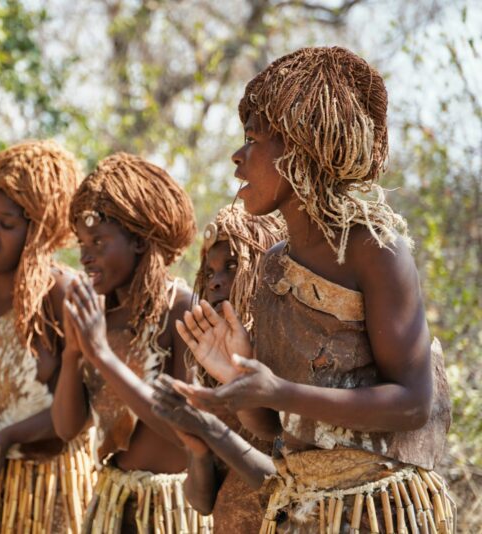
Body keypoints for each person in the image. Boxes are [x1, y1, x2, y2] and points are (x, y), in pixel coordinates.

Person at [162, 47, 453, 533]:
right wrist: (241, 380)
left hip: (374, 514)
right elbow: (275, 428)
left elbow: (413, 402)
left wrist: (279, 389)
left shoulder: (374, 249)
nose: (237, 157)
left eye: (253, 139)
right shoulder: (275, 264)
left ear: (301, 147)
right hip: (300, 511)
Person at [54, 152, 213, 533]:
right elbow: (67, 428)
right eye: (81, 242)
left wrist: (101, 355)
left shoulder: (182, 311)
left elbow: (184, 431)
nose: (85, 256)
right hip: (113, 504)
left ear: (139, 241)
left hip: (173, 510)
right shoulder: (97, 315)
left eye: (98, 241)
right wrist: (75, 351)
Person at [0, 140, 95, 534]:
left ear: (38, 231)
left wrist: (7, 437)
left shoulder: (64, 295)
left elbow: (84, 408)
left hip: (59, 490)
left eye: (7, 224)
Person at [175, 204, 285, 533]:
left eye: (232, 266)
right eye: (209, 273)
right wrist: (198, 450)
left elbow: (286, 488)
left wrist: (211, 431)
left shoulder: (284, 356)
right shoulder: (209, 366)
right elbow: (201, 502)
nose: (216, 282)